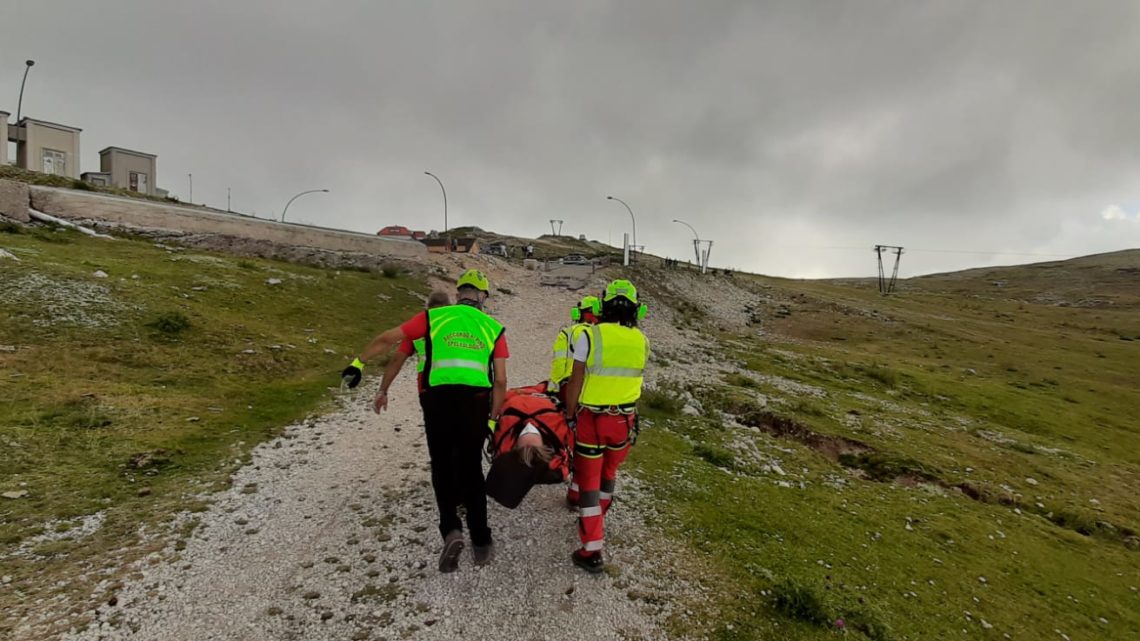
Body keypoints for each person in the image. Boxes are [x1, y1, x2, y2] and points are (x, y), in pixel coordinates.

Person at [341, 269, 508, 572]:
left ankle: (451, 530)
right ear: (482, 296)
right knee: (471, 469)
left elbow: (388, 339)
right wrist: (494, 422)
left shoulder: (433, 318)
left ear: (459, 293)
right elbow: (501, 381)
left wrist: (357, 363)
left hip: (436, 399)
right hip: (475, 402)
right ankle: (481, 542)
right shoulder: (493, 327)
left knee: (442, 465)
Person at [562, 279, 649, 573]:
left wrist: (569, 413)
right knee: (609, 474)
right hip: (624, 421)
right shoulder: (642, 340)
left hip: (592, 419)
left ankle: (592, 548)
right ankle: (598, 518)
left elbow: (575, 381)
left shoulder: (591, 335)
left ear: (602, 305)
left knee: (589, 480)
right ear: (637, 309)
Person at [547, 295, 602, 506]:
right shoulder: (599, 335)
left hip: (565, 390)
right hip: (589, 396)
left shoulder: (567, 333)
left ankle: (561, 468)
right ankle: (578, 491)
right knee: (587, 447)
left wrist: (555, 388)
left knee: (567, 436)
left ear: (578, 314)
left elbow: (558, 366)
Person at [372, 290, 451, 413]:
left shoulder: (418, 328)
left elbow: (396, 361)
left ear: (428, 308)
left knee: (435, 424)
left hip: (426, 384)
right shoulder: (457, 326)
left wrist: (382, 391)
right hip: (458, 381)